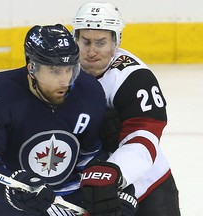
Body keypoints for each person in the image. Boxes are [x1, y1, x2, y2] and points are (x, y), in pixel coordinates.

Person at [0, 23, 109, 216]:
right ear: (32, 67)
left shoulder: (90, 92)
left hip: (68, 201)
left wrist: (109, 187)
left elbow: (90, 158)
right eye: (55, 71)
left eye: (70, 69)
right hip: (10, 201)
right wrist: (9, 189)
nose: (65, 80)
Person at [73, 1, 181, 216]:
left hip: (147, 181)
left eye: (100, 42)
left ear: (116, 42)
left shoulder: (134, 77)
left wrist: (112, 173)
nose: (91, 51)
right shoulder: (61, 70)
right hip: (89, 182)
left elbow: (145, 136)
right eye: (85, 41)